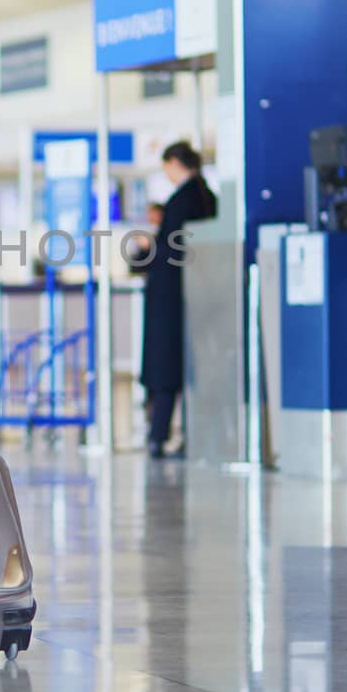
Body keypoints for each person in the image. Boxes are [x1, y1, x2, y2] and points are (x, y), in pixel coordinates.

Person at [140, 142, 218, 460]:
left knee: (165, 364)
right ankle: (184, 432)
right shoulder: (207, 196)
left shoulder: (181, 200)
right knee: (184, 364)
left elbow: (170, 251)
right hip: (197, 293)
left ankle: (159, 433)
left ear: (175, 163)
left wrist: (148, 249)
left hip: (170, 296)